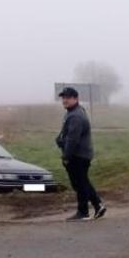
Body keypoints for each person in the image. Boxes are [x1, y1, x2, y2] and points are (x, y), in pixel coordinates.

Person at [56, 87, 106, 222]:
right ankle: (98, 205)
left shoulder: (76, 116)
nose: (64, 100)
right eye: (63, 98)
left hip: (78, 155)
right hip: (81, 154)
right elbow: (68, 135)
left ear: (75, 99)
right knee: (82, 182)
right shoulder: (73, 112)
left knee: (80, 183)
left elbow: (73, 139)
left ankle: (83, 211)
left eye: (68, 97)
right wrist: (60, 139)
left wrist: (66, 156)